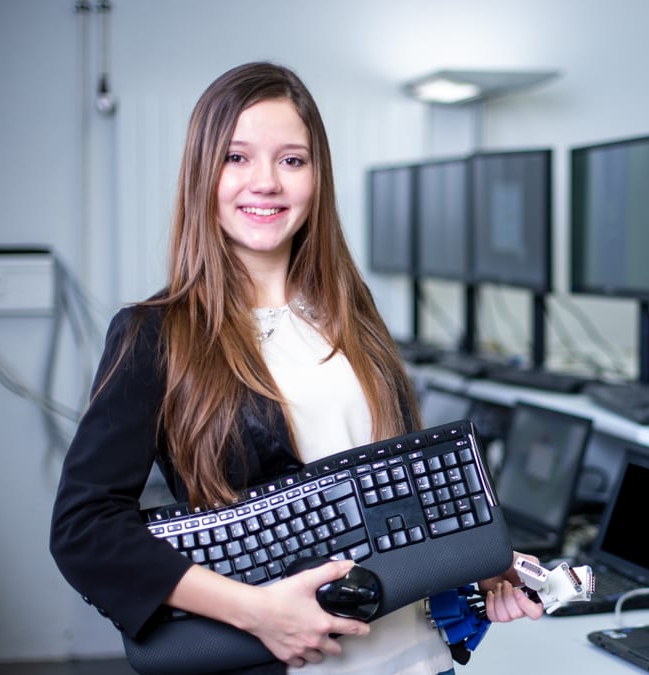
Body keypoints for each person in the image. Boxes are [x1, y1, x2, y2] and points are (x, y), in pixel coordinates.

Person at [50, 61, 543, 675]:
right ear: (203, 174)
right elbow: (84, 529)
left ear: (317, 177)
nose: (266, 183)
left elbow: (387, 494)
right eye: (236, 158)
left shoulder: (353, 313)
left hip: (419, 660)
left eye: (291, 160)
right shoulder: (156, 335)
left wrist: (483, 560)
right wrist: (255, 611)